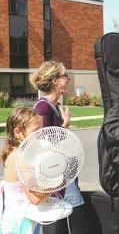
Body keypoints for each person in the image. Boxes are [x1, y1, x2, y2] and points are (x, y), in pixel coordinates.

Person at [30, 61, 91, 234]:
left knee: (69, 225)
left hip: (64, 177)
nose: (69, 79)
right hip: (56, 180)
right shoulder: (42, 108)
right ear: (54, 81)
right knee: (75, 225)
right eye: (65, 76)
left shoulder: (53, 107)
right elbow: (45, 148)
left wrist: (64, 125)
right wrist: (65, 127)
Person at [0, 107, 51, 234]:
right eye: (36, 130)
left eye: (41, 129)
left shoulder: (13, 151)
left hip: (11, 218)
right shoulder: (21, 158)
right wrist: (55, 184)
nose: (41, 134)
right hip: (21, 223)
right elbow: (36, 199)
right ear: (18, 132)